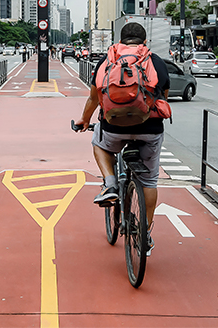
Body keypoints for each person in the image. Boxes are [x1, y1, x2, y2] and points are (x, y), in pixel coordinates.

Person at [74, 22, 171, 258]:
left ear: (121, 40)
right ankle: (145, 233)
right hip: (149, 128)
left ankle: (110, 184)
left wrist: (84, 121)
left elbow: (94, 97)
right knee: (149, 182)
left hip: (113, 126)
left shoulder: (107, 60)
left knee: (99, 143)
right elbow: (164, 98)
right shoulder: (155, 61)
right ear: (144, 41)